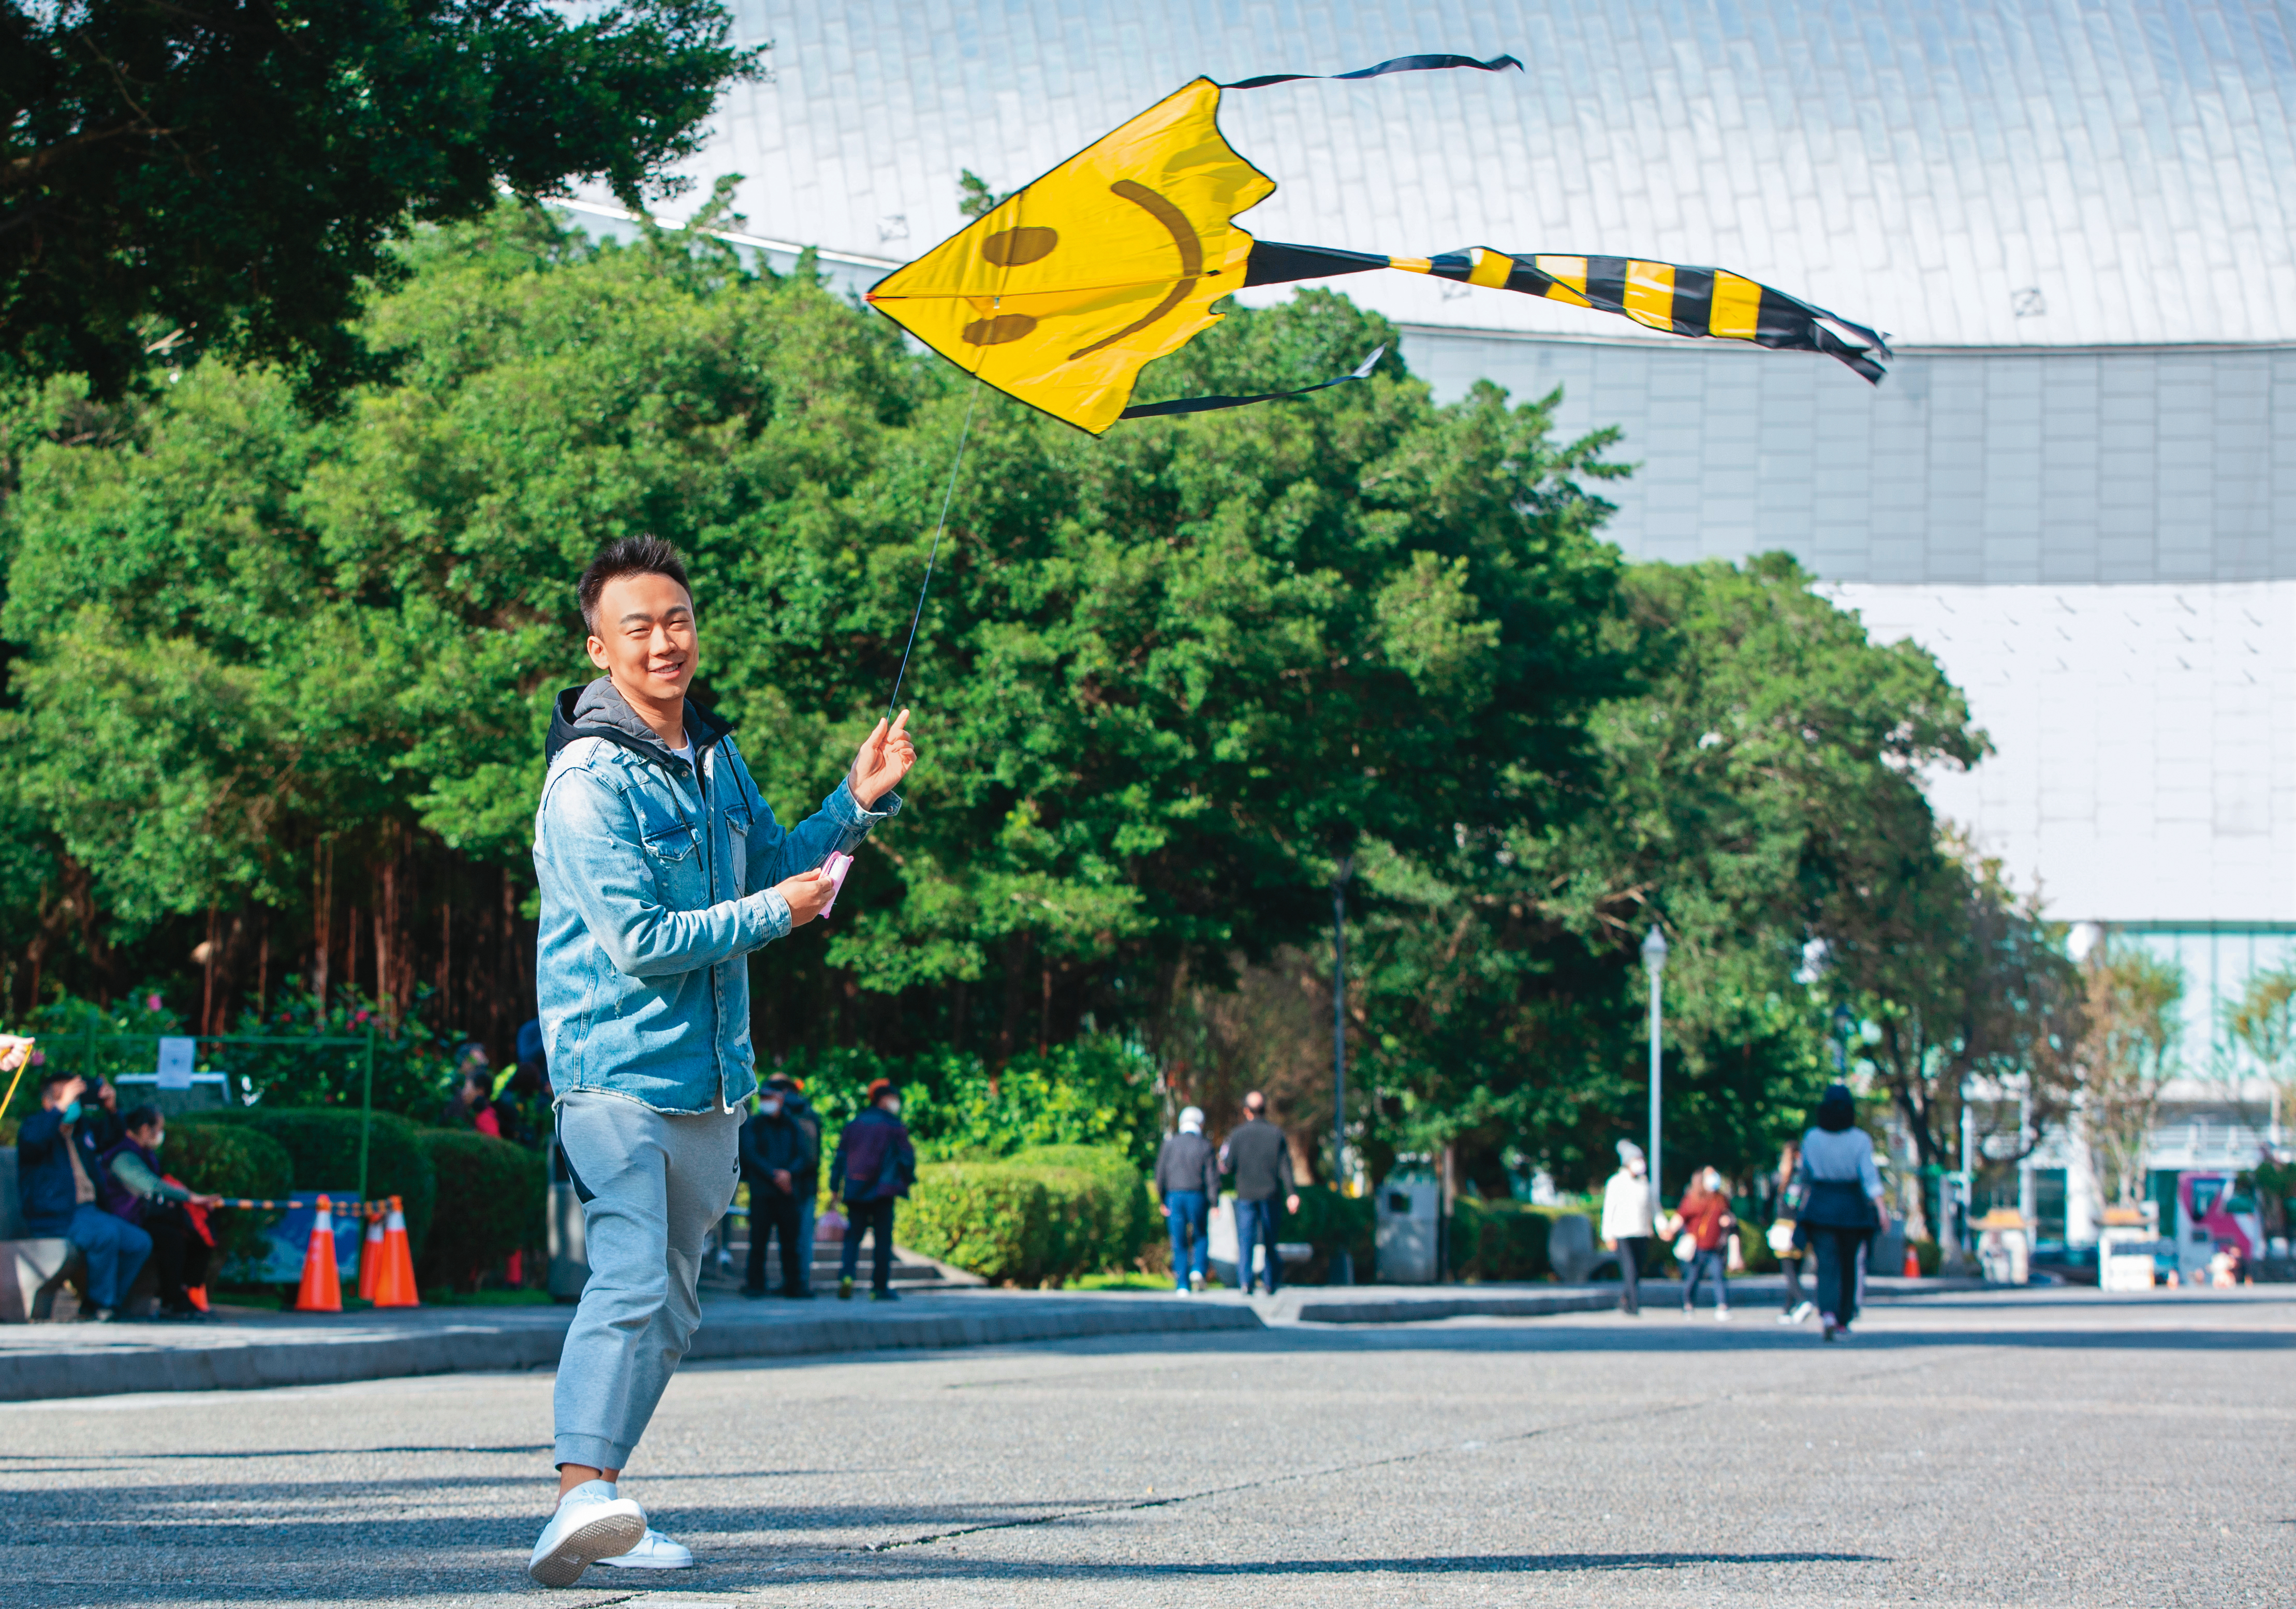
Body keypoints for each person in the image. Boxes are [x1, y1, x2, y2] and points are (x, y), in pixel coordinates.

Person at [524, 535, 913, 1586]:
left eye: (679, 620)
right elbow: (641, 940)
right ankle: (576, 1497)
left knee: (675, 1304)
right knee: (630, 1273)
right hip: (612, 1074)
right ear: (599, 648)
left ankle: (598, 1500)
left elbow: (780, 863)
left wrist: (855, 803)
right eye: (639, 627)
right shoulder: (585, 783)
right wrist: (774, 912)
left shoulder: (714, 755)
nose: (665, 642)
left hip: (712, 1082)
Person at [15, 1071, 151, 1321]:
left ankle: (107, 1304)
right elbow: (33, 1142)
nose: (73, 1103)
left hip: (89, 1213)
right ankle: (99, 1305)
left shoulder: (81, 1131)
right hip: (55, 1216)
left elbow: (113, 1138)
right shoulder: (35, 1127)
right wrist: (61, 1107)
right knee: (105, 1235)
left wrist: (111, 1109)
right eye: (67, 1096)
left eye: (75, 1097)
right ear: (48, 1101)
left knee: (139, 1242)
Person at [97, 1105, 223, 1320]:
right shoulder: (123, 1156)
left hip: (142, 1217)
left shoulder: (145, 1153)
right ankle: (172, 1301)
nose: (160, 1135)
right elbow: (149, 1184)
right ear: (145, 1129)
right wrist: (190, 1197)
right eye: (159, 1129)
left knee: (196, 1233)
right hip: (125, 1219)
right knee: (170, 1238)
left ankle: (186, 1295)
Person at [1798, 1083, 1889, 1342]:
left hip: (1821, 1207)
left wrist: (1798, 1209)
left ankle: (1827, 1313)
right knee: (1849, 1265)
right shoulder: (1860, 1139)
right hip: (1851, 1207)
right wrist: (1881, 1209)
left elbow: (1805, 1176)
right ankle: (1843, 1319)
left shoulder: (1812, 1138)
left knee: (1826, 1264)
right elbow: (1869, 1177)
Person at [829, 1078, 915, 1301]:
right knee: (883, 1240)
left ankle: (847, 1276)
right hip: (883, 1192)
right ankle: (879, 1288)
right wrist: (906, 1181)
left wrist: (834, 1187)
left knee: (853, 1237)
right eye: (894, 1099)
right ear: (884, 1099)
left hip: (855, 1189)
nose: (896, 1103)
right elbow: (907, 1158)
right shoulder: (894, 1126)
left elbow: (840, 1157)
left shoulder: (855, 1123)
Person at [740, 1080, 820, 1298]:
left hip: (787, 1193)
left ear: (781, 1099)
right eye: (764, 1098)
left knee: (791, 1242)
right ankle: (755, 1285)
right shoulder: (754, 1124)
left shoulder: (792, 1125)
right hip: (762, 1192)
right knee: (758, 1241)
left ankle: (794, 1286)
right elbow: (750, 1154)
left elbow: (803, 1155)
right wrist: (775, 1175)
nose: (766, 1102)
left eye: (770, 1098)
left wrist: (789, 1174)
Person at [1218, 1091, 1298, 1297]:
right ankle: (1270, 1283)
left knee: (1246, 1240)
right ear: (1265, 1110)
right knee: (1270, 1239)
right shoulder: (1276, 1134)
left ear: (1246, 1111)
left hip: (1246, 1194)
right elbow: (1285, 1165)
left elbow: (1228, 1166)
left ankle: (1246, 1282)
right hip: (1270, 1194)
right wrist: (1292, 1193)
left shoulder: (1237, 1135)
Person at [1155, 1106, 1220, 1295]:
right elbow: (1212, 1177)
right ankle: (1198, 1268)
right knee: (1200, 1235)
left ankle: (1182, 1284)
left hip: (1174, 1196)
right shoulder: (1205, 1145)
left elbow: (1160, 1174)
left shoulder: (1170, 1144)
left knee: (1179, 1240)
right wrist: (1214, 1203)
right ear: (1201, 1124)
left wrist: (1162, 1199)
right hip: (1197, 1196)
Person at [1600, 1140, 1654, 1316]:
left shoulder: (1644, 1184)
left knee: (1637, 1271)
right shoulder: (1615, 1182)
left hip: (1642, 1233)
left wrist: (1662, 1227)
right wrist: (1608, 1235)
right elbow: (1609, 1210)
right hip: (1622, 1233)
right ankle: (1633, 1305)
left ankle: (1625, 1298)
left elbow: (1654, 1208)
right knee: (1629, 1269)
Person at [1675, 1166, 1735, 1319]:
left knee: (1719, 1276)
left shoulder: (1721, 1199)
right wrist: (1669, 1230)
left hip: (1715, 1247)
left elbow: (1730, 1216)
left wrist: (1727, 1220)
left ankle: (1722, 1306)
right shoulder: (1692, 1198)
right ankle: (1688, 1304)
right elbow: (1681, 1216)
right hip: (1697, 1247)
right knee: (1693, 1277)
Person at [1772, 1140, 1815, 1325]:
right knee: (1795, 1269)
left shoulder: (1780, 1178)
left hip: (1784, 1225)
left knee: (1788, 1269)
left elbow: (1769, 1202)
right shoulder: (1807, 1178)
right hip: (1801, 1225)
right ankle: (1787, 1310)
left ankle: (1802, 1302)